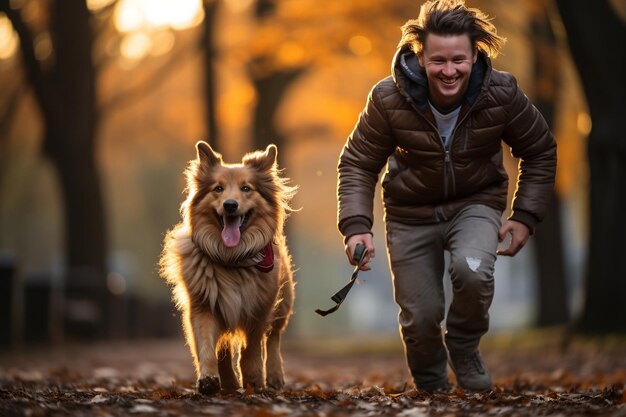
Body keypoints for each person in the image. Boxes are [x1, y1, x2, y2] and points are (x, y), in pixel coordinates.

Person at [336, 0, 556, 393]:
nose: (449, 71)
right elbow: (357, 163)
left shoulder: (501, 94)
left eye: (459, 59)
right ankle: (431, 385)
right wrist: (356, 227)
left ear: (475, 54)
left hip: (475, 204)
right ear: (420, 56)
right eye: (438, 60)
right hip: (409, 214)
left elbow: (539, 150)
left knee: (472, 272)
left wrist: (525, 216)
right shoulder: (388, 98)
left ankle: (464, 344)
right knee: (420, 318)